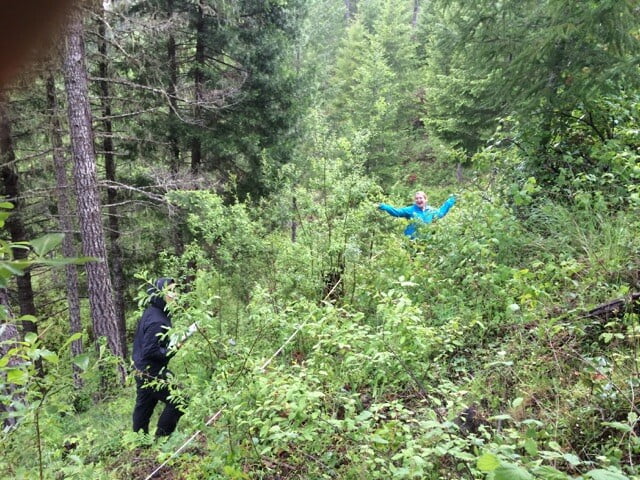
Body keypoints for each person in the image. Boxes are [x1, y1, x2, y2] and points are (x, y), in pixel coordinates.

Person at [132, 277, 185, 437]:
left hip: (141, 368)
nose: (175, 295)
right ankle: (161, 439)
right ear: (159, 294)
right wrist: (173, 349)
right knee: (179, 400)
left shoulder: (154, 312)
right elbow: (151, 351)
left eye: (175, 290)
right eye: (170, 291)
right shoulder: (157, 320)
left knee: (144, 405)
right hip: (151, 371)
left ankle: (139, 443)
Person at [378, 191, 456, 238]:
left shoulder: (431, 211)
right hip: (411, 241)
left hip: (426, 241)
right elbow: (397, 212)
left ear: (425, 199)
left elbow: (441, 213)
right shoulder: (410, 210)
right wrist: (383, 206)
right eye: (417, 198)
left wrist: (451, 200)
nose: (418, 200)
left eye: (420, 198)